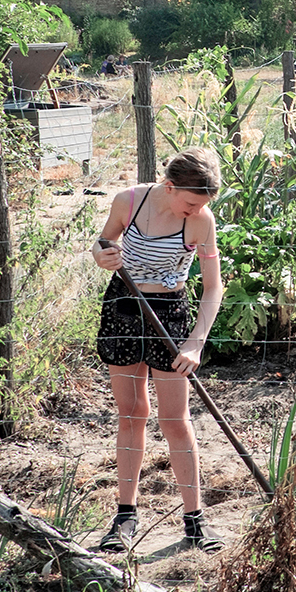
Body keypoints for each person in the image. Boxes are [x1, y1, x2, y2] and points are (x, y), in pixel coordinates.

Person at [90, 146, 228, 554]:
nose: (195, 211)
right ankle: (125, 516)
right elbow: (102, 243)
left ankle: (195, 520)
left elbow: (213, 287)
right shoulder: (128, 201)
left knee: (175, 419)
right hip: (124, 306)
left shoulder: (201, 221)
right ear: (169, 187)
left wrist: (195, 342)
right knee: (132, 412)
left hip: (170, 314)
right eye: (189, 203)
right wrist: (103, 255)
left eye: (201, 205)